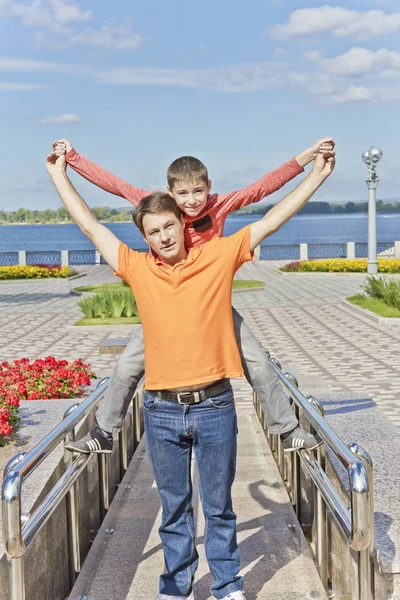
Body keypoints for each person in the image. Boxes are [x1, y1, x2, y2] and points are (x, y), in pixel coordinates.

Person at [46, 149, 335, 600]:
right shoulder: (138, 268)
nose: (163, 235)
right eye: (153, 230)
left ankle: (227, 586)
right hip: (161, 410)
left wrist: (314, 172)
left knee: (219, 509)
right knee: (174, 509)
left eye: (168, 226)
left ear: (183, 224)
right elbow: (91, 223)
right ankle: (175, 588)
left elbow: (271, 214)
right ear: (145, 234)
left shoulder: (218, 256)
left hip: (216, 406)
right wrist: (62, 171)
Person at [54, 137, 335, 455]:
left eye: (198, 192)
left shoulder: (220, 205)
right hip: (166, 310)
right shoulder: (157, 206)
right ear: (170, 193)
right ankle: (104, 432)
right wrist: (73, 159)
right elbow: (113, 186)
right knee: (126, 366)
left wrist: (306, 160)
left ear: (209, 187)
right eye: (183, 194)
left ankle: (287, 430)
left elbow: (263, 190)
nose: (191, 201)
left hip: (210, 305)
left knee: (258, 360)